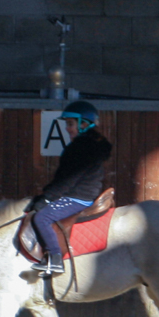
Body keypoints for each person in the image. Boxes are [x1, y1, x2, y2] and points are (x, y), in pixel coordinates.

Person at [29, 99, 113, 275]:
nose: (67, 128)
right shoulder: (90, 145)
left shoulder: (81, 147)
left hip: (77, 197)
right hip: (80, 194)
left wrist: (46, 199)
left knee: (42, 218)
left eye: (70, 124)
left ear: (84, 124)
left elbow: (68, 180)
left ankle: (55, 258)